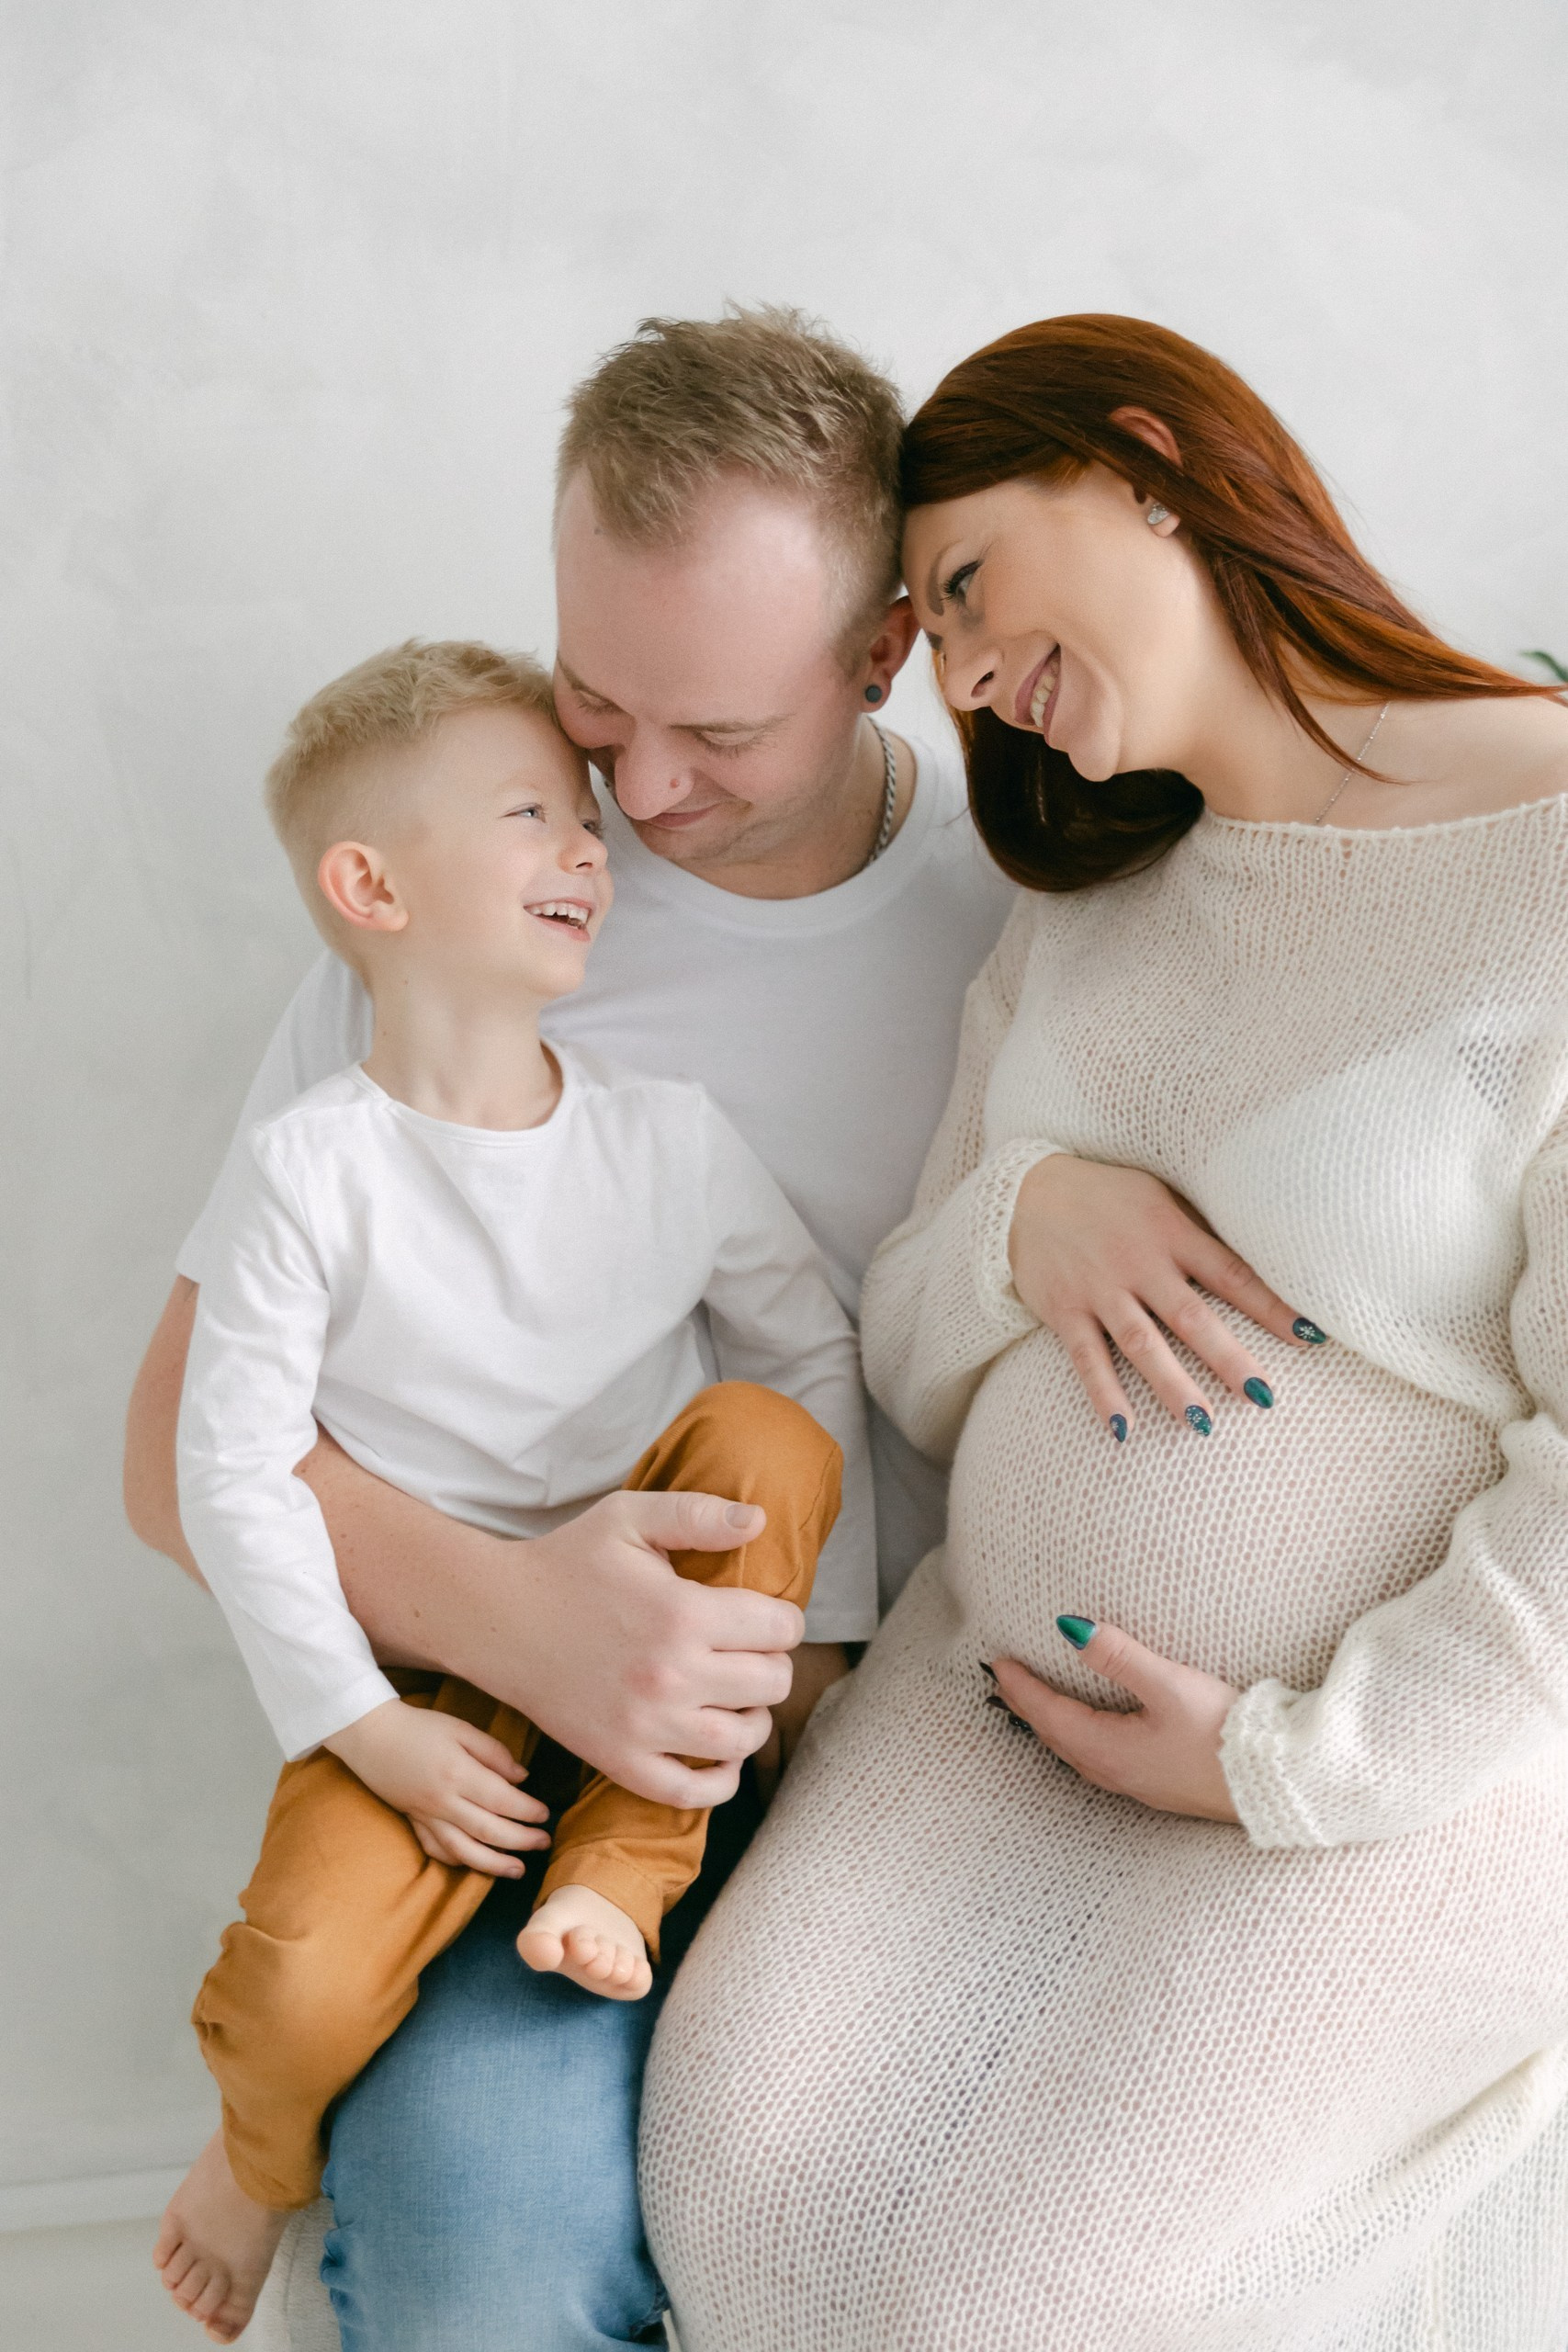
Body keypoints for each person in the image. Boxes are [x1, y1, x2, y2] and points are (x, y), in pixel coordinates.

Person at [124, 311, 1304, 2347]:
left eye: (717, 733)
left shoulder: (1040, 893)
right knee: (487, 2271)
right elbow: (176, 1454)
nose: (633, 790)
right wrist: (512, 1617)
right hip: (522, 1753)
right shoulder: (474, 894)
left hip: (925, 1743)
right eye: (595, 695)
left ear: (881, 658)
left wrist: (1041, 1202)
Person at [639, 313, 1568, 2351]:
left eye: (965, 589)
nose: (963, 681)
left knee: (1001, 2302)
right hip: (994, 1718)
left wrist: (1284, 1762)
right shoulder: (1086, 893)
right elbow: (896, 1336)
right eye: (927, 642)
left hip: (1393, 1773)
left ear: (1144, 456)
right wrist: (1023, 1219)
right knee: (736, 2189)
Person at [151, 639, 870, 2345]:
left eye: (584, 825)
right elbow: (222, 1468)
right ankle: (250, 2169)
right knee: (298, 1986)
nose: (588, 848)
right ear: (370, 886)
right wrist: (361, 1720)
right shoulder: (308, 1171)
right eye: (535, 814)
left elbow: (816, 1364)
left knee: (772, 1438)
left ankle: (624, 1871)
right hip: (415, 1691)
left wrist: (814, 1651)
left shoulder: (669, 1138)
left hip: (657, 1654)